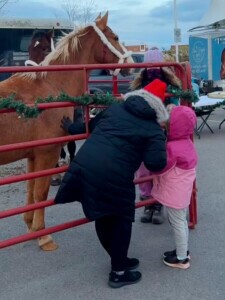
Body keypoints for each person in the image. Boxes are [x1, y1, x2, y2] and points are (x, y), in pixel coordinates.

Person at [54, 79, 169, 288]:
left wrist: (71, 127)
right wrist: (161, 141)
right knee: (121, 220)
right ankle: (118, 271)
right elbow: (156, 163)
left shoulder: (116, 108)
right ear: (159, 107)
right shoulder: (153, 129)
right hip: (115, 175)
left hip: (85, 166)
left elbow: (90, 126)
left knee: (103, 214)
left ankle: (120, 258)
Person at [132, 48, 182, 224]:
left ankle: (158, 204)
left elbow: (175, 105)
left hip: (161, 132)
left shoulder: (170, 86)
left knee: (159, 167)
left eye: (156, 66)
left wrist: (169, 115)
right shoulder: (139, 85)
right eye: (149, 66)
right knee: (143, 169)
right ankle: (147, 203)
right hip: (142, 132)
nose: (152, 71)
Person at [151, 104, 198, 269]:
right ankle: (182, 251)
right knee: (180, 221)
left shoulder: (172, 147)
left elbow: (161, 166)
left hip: (175, 191)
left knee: (177, 221)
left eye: (167, 122)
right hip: (182, 190)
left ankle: (181, 258)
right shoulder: (186, 142)